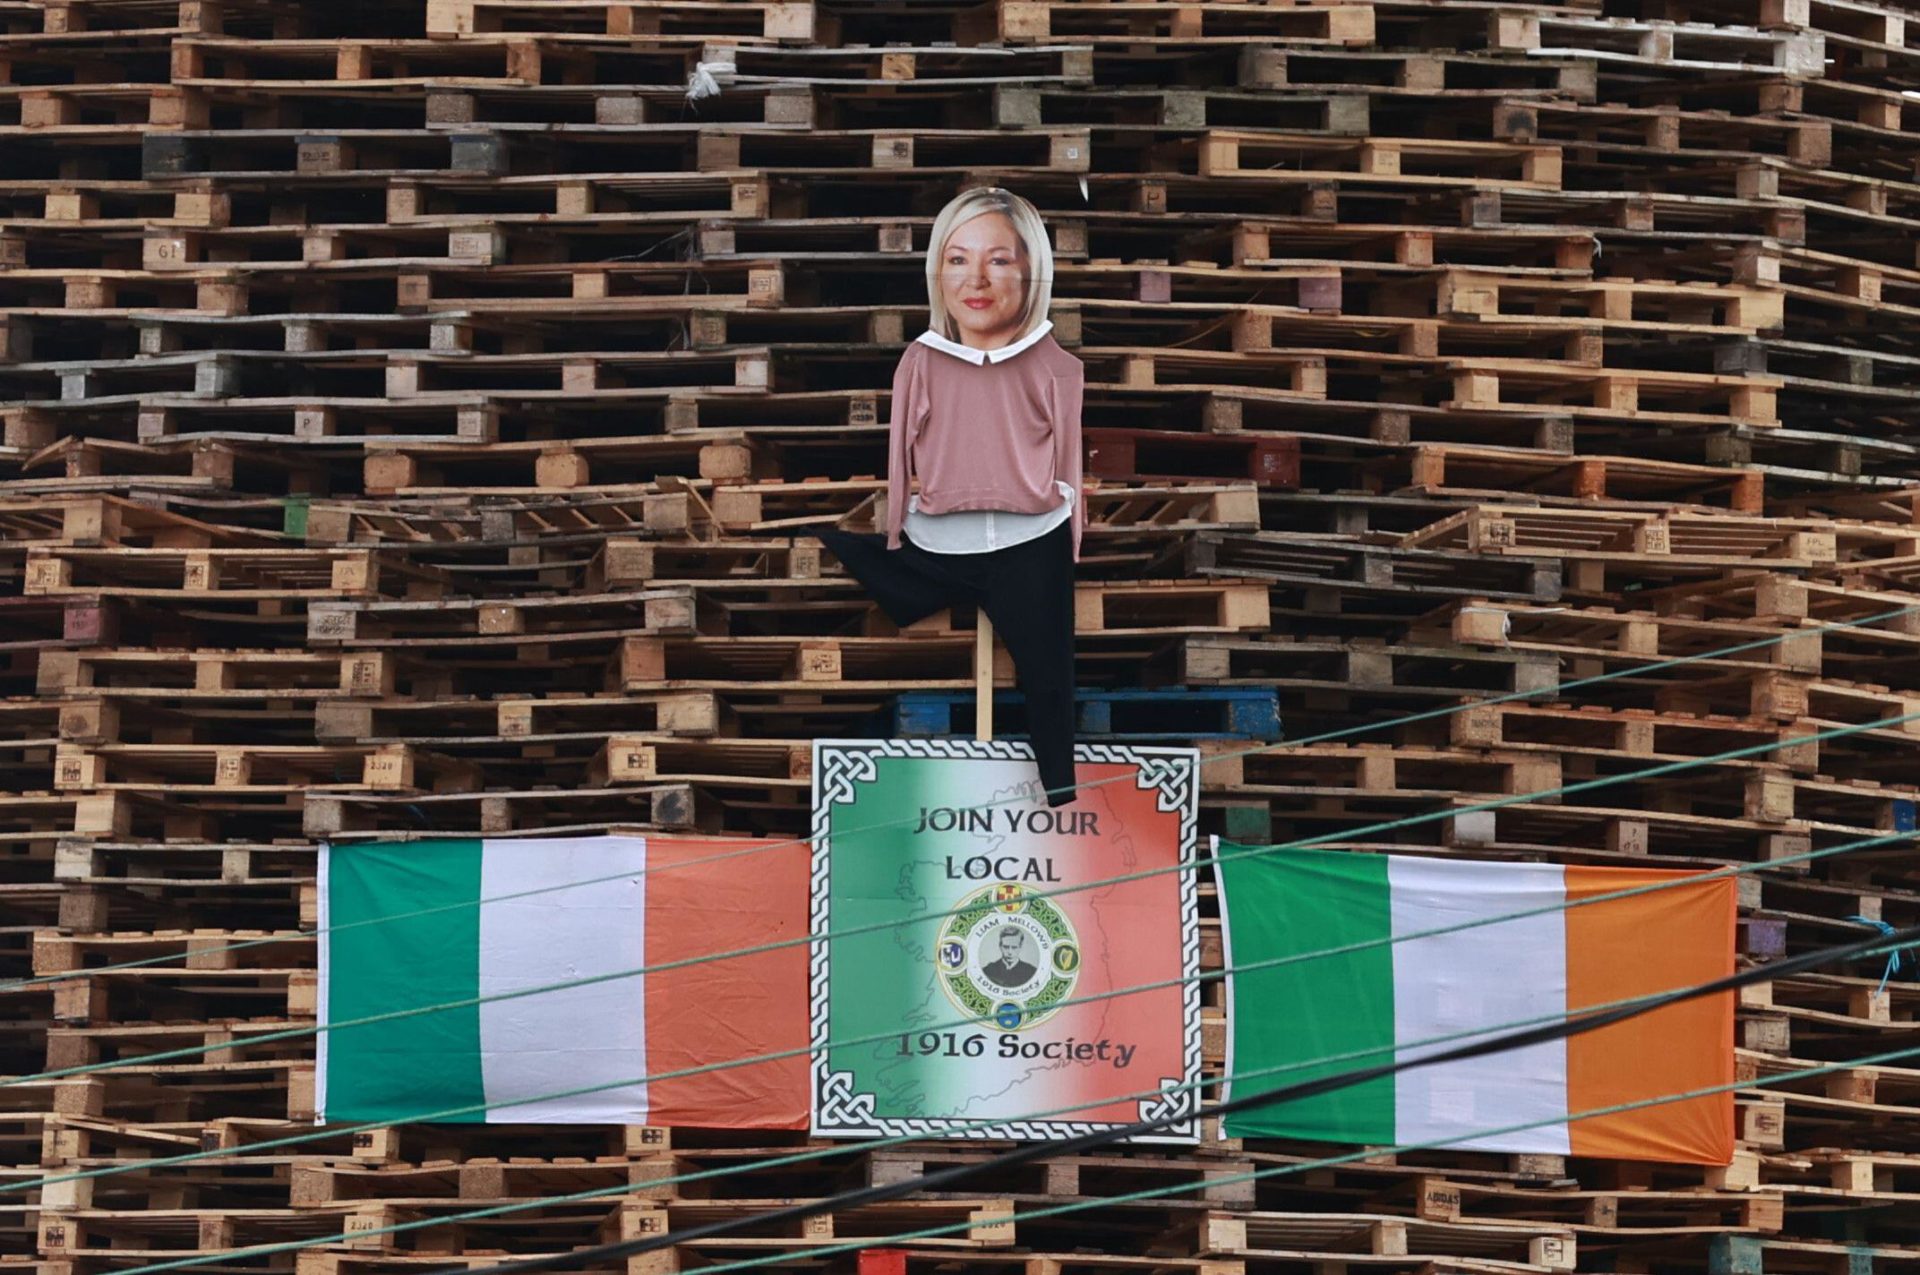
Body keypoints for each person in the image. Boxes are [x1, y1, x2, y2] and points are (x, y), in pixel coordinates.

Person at [816, 186, 1087, 808]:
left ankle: (1060, 789)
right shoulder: (921, 361)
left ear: (1030, 267)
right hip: (940, 538)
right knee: (854, 559)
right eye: (958, 258)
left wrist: (1070, 538)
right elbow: (897, 454)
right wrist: (892, 532)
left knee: (1049, 675)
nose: (977, 279)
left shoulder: (1057, 365)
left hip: (1030, 540)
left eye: (998, 258)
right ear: (938, 270)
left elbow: (1070, 461)